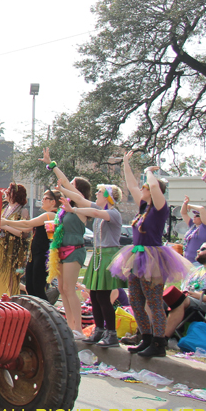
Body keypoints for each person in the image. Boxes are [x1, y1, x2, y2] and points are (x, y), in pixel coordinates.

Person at [110, 151, 192, 357]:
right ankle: (146, 338)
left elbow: (154, 186)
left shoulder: (160, 208)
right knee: (136, 301)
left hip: (153, 257)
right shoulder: (143, 207)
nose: (143, 188)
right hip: (136, 256)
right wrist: (126, 163)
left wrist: (148, 171)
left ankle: (158, 343)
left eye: (145, 186)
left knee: (153, 301)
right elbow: (131, 185)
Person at [59, 183, 126, 348]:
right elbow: (79, 199)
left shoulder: (113, 213)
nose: (96, 193)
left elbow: (95, 212)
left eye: (100, 191)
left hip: (108, 256)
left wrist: (73, 210)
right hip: (97, 256)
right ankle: (99, 330)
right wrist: (62, 189)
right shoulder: (99, 207)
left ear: (109, 196)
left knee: (103, 297)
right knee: (94, 297)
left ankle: (111, 334)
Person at [40, 149, 91, 339]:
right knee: (62, 289)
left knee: (69, 289)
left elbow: (66, 184)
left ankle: (78, 328)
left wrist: (53, 165)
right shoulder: (66, 209)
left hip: (74, 251)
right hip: (60, 250)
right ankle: (70, 327)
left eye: (73, 185)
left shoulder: (84, 207)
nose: (68, 186)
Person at [1, 189, 63, 300]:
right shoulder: (47, 215)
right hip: (35, 254)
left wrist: (6, 222)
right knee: (30, 286)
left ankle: (44, 312)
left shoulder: (50, 215)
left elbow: (27, 223)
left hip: (43, 254)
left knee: (38, 288)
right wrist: (5, 225)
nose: (42, 200)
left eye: (45, 198)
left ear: (53, 202)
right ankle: (35, 310)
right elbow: (27, 228)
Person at [163, 242, 206, 341]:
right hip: (187, 300)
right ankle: (148, 335)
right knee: (158, 298)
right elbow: (185, 288)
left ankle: (163, 339)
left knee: (180, 300)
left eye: (202, 249)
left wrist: (194, 295)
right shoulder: (195, 269)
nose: (198, 251)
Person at [0, 182, 30, 299]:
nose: (6, 192)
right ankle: (0, 303)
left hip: (13, 252)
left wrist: (4, 226)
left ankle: (12, 305)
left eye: (9, 191)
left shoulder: (22, 211)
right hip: (0, 249)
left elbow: (23, 233)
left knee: (12, 281)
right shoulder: (4, 206)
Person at [179, 196, 206, 264]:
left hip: (198, 262)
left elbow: (201, 209)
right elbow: (183, 213)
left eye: (197, 215)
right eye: (194, 215)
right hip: (187, 260)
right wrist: (185, 204)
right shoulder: (192, 226)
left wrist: (190, 206)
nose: (194, 216)